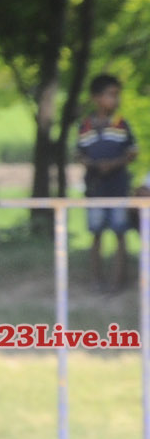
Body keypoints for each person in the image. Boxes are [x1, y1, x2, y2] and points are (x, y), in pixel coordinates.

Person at [77, 73, 137, 291]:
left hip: (118, 188)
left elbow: (132, 152)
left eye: (117, 95)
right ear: (96, 98)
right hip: (95, 189)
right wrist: (93, 165)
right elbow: (79, 153)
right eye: (111, 95)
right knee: (96, 233)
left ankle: (118, 281)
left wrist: (114, 164)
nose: (116, 100)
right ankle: (96, 280)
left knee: (120, 233)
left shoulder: (121, 124)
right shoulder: (85, 126)